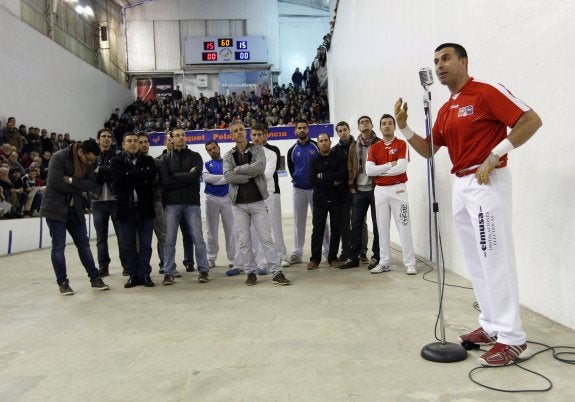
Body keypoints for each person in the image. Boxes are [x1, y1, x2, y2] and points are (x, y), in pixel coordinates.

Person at [394, 43, 542, 367]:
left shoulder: (486, 92)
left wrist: (496, 152)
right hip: (461, 185)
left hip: (487, 182)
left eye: (446, 58)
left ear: (463, 61)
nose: (439, 65)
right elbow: (428, 149)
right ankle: (491, 325)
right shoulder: (446, 109)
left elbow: (531, 120)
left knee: (495, 258)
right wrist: (404, 127)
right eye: (435, 61)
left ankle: (513, 338)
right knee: (476, 260)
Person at [223, 120, 291, 286]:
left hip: (258, 202)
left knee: (266, 239)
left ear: (245, 132)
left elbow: (260, 168)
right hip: (238, 205)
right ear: (231, 135)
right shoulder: (228, 156)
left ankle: (276, 272)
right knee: (244, 241)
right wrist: (247, 175)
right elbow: (228, 176)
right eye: (235, 131)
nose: (239, 132)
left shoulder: (258, 149)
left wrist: (238, 170)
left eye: (241, 130)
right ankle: (250, 273)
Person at [40, 139, 110, 295]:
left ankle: (95, 278)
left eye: (93, 161)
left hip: (75, 209)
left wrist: (71, 180)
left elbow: (91, 185)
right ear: (80, 152)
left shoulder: (89, 163)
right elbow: (55, 183)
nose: (90, 163)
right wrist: (79, 187)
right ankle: (63, 282)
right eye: (88, 159)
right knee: (58, 247)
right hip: (55, 209)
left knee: (84, 245)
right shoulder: (59, 157)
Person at [157, 127, 209, 285]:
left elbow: (195, 177)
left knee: (198, 238)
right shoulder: (164, 160)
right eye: (177, 136)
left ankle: (203, 270)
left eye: (183, 135)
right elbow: (165, 182)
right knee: (169, 240)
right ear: (171, 139)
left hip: (191, 203)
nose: (180, 138)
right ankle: (168, 272)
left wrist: (175, 177)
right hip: (171, 204)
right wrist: (186, 176)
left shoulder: (195, 156)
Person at [366, 114, 416, 275]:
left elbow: (401, 168)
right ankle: (384, 261)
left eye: (389, 123)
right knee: (381, 227)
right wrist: (389, 165)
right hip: (380, 190)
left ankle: (410, 263)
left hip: (398, 189)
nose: (386, 126)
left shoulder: (402, 144)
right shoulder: (374, 148)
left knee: (404, 225)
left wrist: (380, 171)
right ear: (379, 128)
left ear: (394, 127)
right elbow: (369, 171)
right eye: (383, 124)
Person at [111, 132, 157, 288]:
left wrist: (130, 174)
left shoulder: (148, 160)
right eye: (129, 141)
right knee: (128, 245)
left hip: (145, 210)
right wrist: (139, 177)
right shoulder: (117, 161)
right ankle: (132, 275)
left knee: (146, 245)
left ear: (139, 143)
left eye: (135, 141)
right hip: (126, 209)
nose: (132, 143)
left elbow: (149, 177)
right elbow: (119, 180)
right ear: (123, 144)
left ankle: (144, 274)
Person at [339, 116, 381, 270]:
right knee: (355, 225)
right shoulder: (354, 146)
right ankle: (354, 257)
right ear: (358, 127)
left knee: (378, 225)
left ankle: (377, 256)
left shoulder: (379, 143)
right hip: (359, 191)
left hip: (376, 190)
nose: (364, 124)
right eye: (361, 122)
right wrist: (351, 186)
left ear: (372, 125)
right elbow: (350, 166)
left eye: (367, 121)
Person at [287, 119, 329, 264]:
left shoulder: (316, 146)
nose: (302, 130)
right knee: (299, 222)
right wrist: (300, 180)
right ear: (295, 131)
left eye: (304, 127)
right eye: (299, 128)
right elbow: (292, 170)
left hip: (315, 190)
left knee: (321, 221)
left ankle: (328, 251)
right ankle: (297, 253)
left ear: (308, 129)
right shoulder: (292, 151)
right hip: (298, 190)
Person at [251, 123, 290, 268]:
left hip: (273, 193)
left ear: (265, 135)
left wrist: (248, 173)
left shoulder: (273, 150)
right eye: (254, 134)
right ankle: (259, 258)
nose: (257, 137)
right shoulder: (249, 151)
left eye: (260, 134)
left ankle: (282, 256)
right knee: (256, 229)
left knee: (275, 226)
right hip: (254, 195)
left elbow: (267, 174)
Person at [307, 133, 346, 269]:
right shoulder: (313, 161)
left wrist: (323, 176)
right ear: (317, 144)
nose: (323, 143)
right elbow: (313, 180)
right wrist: (332, 182)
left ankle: (332, 258)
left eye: (326, 140)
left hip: (336, 199)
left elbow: (342, 175)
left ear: (330, 142)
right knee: (318, 230)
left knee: (336, 230)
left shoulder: (338, 158)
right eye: (321, 141)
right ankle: (315, 259)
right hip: (320, 200)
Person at [92, 128, 126, 277]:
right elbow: (91, 176)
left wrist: (101, 171)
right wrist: (107, 172)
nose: (106, 139)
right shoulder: (92, 156)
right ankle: (103, 267)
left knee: (122, 237)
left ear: (112, 139)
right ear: (98, 139)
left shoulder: (118, 155)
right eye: (103, 136)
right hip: (97, 201)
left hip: (115, 200)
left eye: (108, 137)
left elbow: (117, 174)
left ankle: (126, 265)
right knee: (101, 238)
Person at [202, 140, 237, 271]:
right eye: (209, 150)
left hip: (227, 198)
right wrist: (223, 178)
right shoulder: (206, 164)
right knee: (211, 230)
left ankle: (233, 257)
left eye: (214, 148)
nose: (213, 151)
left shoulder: (228, 162)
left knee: (231, 229)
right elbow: (206, 179)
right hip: (211, 199)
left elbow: (231, 177)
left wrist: (216, 179)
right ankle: (211, 258)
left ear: (218, 147)